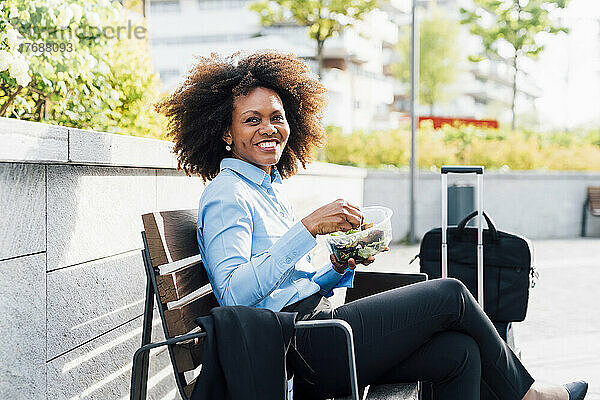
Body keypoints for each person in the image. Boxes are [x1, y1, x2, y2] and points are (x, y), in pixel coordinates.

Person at [155, 50, 588, 400]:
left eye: (277, 116)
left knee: (459, 353)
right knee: (451, 293)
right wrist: (306, 229)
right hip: (294, 349)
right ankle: (533, 396)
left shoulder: (266, 189)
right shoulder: (226, 195)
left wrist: (341, 264)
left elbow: (289, 282)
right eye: (253, 119)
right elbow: (235, 295)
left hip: (319, 330)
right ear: (226, 133)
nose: (270, 128)